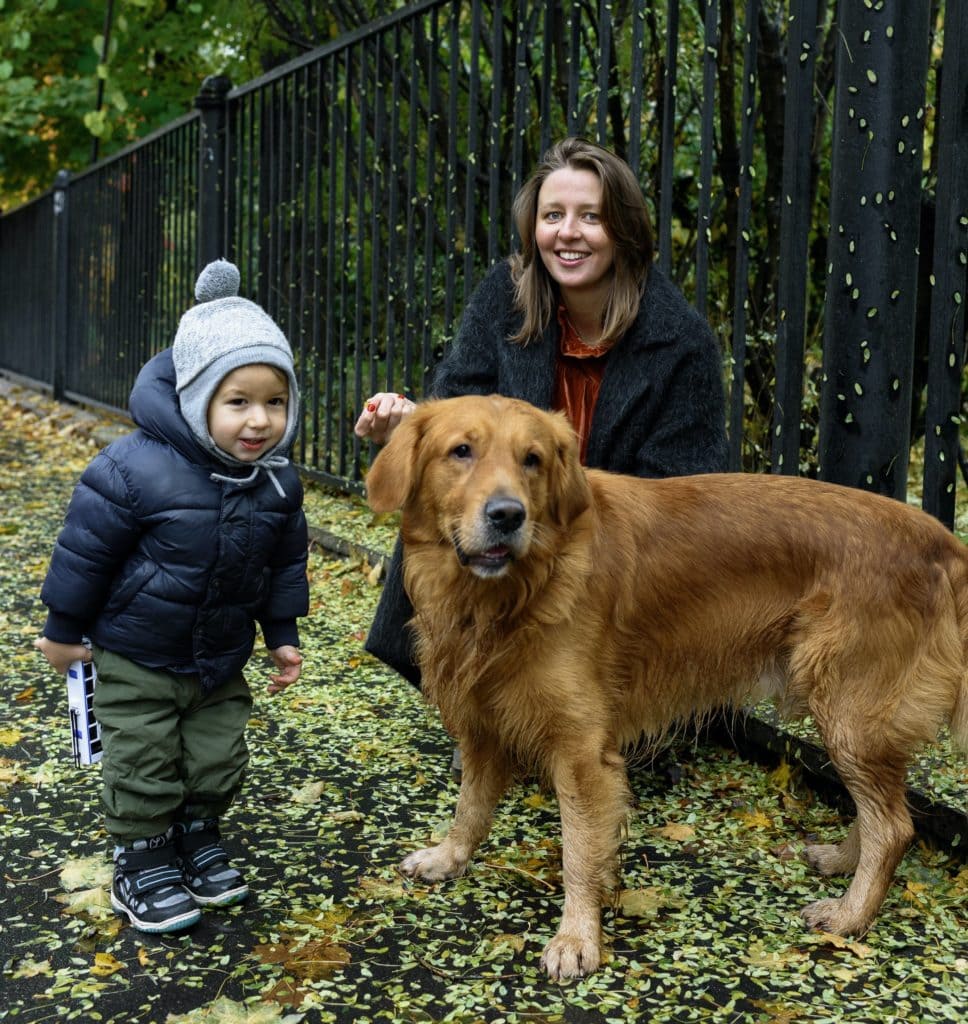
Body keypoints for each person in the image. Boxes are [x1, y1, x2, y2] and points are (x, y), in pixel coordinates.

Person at [355, 136, 728, 700]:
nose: (568, 233)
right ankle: (477, 686)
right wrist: (412, 424)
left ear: (624, 231)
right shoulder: (502, 296)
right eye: (553, 215)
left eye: (591, 217)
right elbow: (456, 402)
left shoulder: (681, 340)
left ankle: (612, 698)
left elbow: (680, 498)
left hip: (615, 558)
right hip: (505, 526)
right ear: (534, 227)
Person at [34, 259, 310, 935]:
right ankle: (142, 853)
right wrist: (65, 628)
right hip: (136, 653)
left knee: (217, 755)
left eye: (275, 402)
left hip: (218, 658)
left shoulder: (277, 484)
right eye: (237, 402)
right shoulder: (133, 469)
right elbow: (86, 550)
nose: (259, 421)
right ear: (196, 399)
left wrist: (282, 635)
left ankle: (195, 832)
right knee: (145, 758)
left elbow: (282, 564)